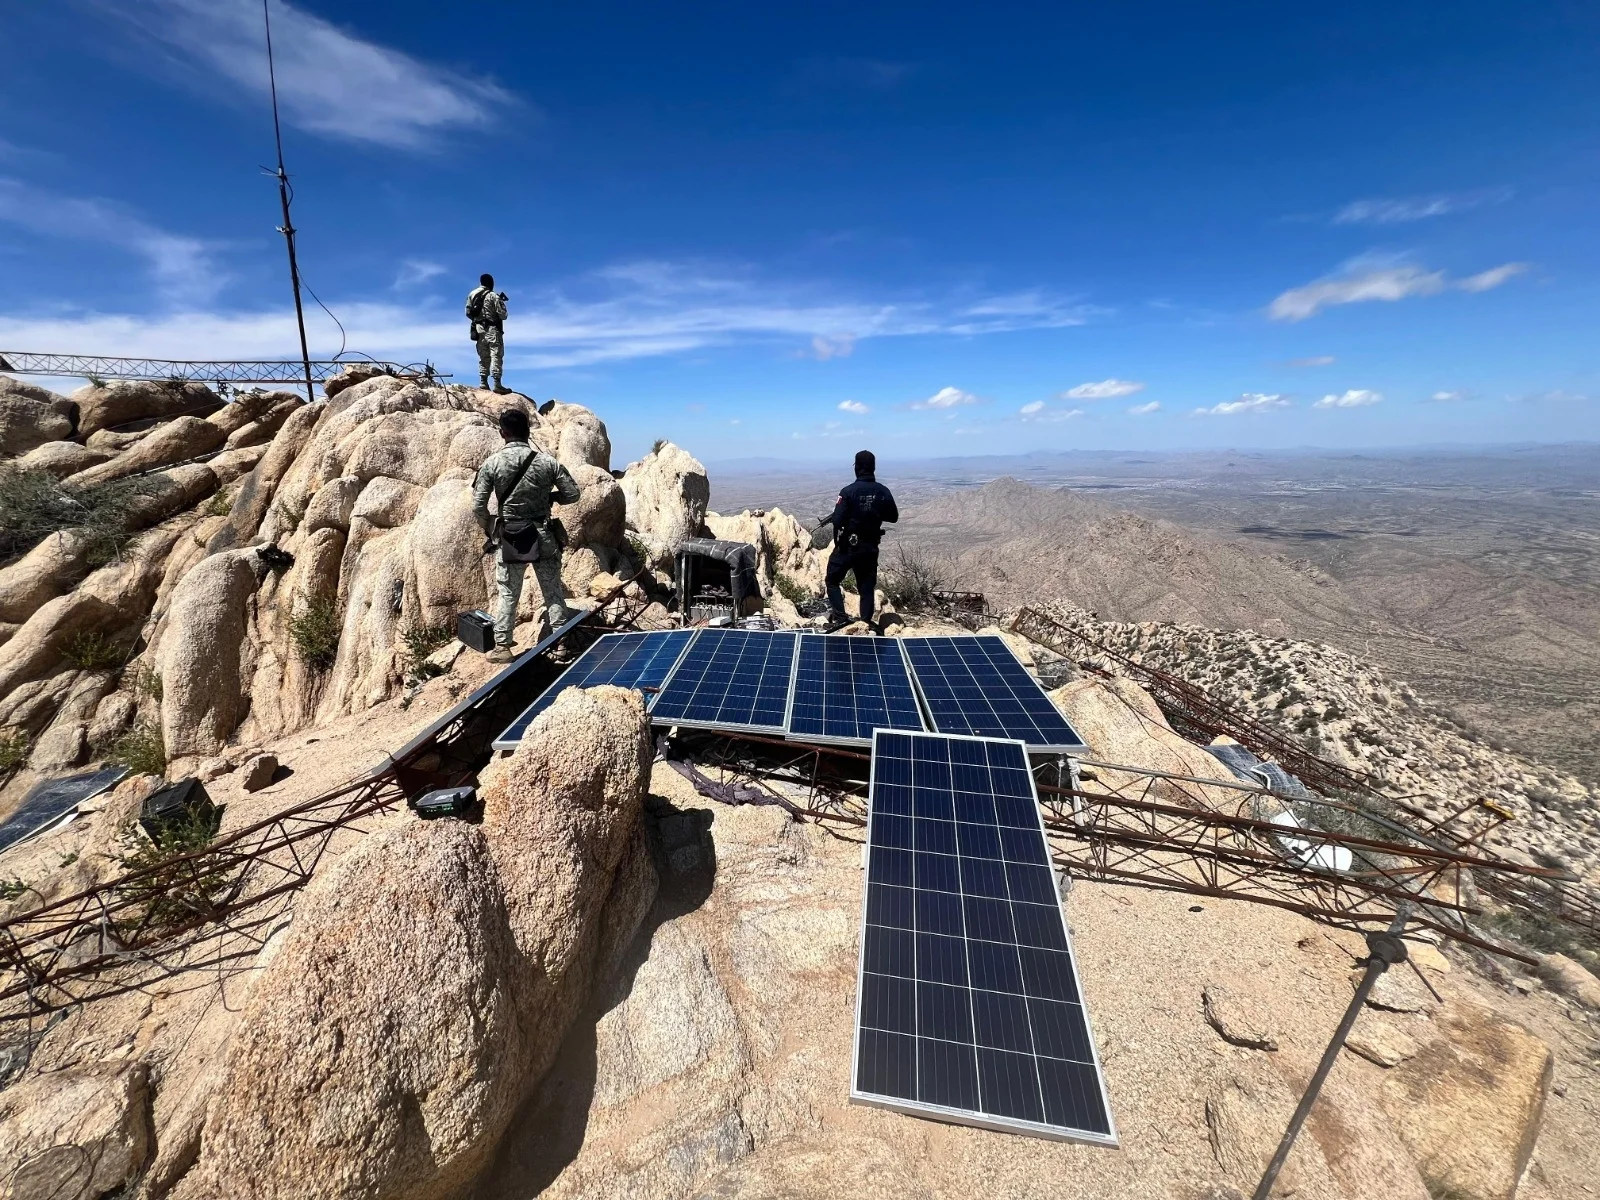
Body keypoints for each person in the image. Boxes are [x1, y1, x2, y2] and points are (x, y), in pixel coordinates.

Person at [472, 408, 581, 661]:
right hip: (543, 533)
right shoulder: (547, 462)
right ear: (528, 431)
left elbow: (478, 505)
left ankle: (503, 647)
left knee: (509, 591)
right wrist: (550, 497)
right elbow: (573, 494)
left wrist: (489, 526)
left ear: (503, 433)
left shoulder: (492, 463)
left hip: (511, 535)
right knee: (552, 590)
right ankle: (562, 642)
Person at [819, 449, 898, 631]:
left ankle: (840, 618)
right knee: (866, 585)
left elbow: (838, 521)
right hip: (870, 547)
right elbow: (893, 516)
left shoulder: (847, 492)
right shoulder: (883, 491)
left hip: (848, 547)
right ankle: (866, 620)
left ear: (856, 468)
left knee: (832, 580)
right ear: (873, 468)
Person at [465, 273, 509, 392]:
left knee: (483, 356)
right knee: (496, 354)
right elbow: (503, 315)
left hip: (478, 330)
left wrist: (479, 320)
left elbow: (468, 313)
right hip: (492, 329)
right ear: (491, 283)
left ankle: (483, 382)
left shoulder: (472, 294)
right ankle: (497, 384)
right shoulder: (493, 296)